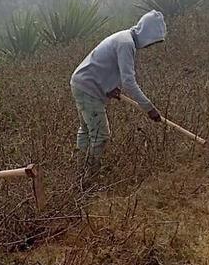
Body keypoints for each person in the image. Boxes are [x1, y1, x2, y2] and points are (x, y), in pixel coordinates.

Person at [70, 10, 166, 173]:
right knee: (101, 135)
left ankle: (80, 168)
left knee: (86, 129)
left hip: (80, 83)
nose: (151, 46)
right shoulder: (126, 44)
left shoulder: (124, 38)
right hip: (88, 88)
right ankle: (89, 174)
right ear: (147, 34)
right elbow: (128, 80)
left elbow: (104, 66)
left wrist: (109, 87)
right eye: (153, 42)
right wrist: (149, 108)